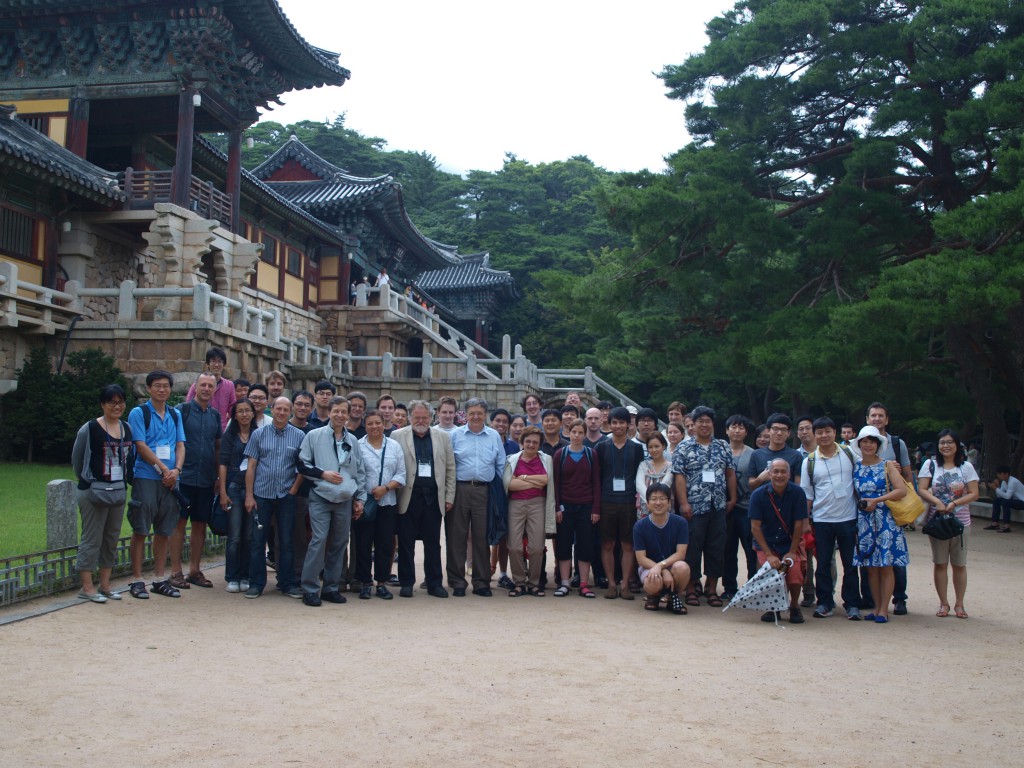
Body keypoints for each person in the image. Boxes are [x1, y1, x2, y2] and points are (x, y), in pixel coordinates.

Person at [296, 396, 367, 606]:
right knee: (319, 540)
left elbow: (359, 471)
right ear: (329, 412)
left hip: (344, 498)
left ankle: (331, 587)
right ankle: (309, 588)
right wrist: (322, 474)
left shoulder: (352, 440)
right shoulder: (314, 436)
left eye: (343, 412)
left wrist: (359, 498)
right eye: (336, 411)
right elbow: (301, 464)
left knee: (339, 543)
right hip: (321, 495)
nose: (339, 415)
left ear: (347, 414)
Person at [71, 384, 134, 602]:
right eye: (112, 402)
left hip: (117, 490)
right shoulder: (90, 428)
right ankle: (87, 587)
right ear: (103, 404)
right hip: (93, 490)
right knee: (92, 537)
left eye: (120, 402)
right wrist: (86, 480)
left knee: (111, 538)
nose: (117, 406)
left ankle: (105, 584)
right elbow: (77, 460)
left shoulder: (126, 427)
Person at [126, 370, 186, 599]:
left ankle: (160, 578)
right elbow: (140, 444)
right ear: (149, 388)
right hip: (147, 477)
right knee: (141, 528)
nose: (162, 390)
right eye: (157, 386)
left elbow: (180, 445)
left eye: (166, 386)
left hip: (171, 480)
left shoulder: (174, 414)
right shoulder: (139, 413)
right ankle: (137, 579)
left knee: (164, 529)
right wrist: (163, 469)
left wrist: (176, 470)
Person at [672, 405, 737, 608]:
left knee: (716, 548)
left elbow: (730, 473)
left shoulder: (723, 446)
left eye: (708, 421)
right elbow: (679, 476)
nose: (704, 424)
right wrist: (683, 503)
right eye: (700, 421)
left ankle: (711, 588)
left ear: (712, 424)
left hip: (718, 506)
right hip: (694, 506)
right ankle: (690, 588)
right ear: (693, 425)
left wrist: (732, 498)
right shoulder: (684, 447)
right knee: (692, 548)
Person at [799, 417, 861, 620]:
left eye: (827, 431)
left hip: (848, 518)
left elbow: (864, 473)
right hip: (822, 519)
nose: (824, 436)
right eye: (820, 432)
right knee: (823, 563)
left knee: (850, 564)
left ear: (835, 432)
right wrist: (806, 522)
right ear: (814, 435)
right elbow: (807, 493)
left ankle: (852, 603)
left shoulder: (849, 453)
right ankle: (825, 602)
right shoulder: (809, 461)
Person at [392, 400, 456, 598]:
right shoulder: (398, 435)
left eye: (424, 417)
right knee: (405, 542)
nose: (420, 421)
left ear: (431, 418)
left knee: (433, 542)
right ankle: (407, 582)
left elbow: (450, 468)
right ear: (410, 417)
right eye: (416, 417)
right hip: (408, 495)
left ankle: (434, 583)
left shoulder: (442, 437)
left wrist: (449, 496)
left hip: (433, 496)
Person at [243, 396, 305, 599]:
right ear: (272, 409)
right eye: (278, 408)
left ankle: (287, 583)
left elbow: (302, 467)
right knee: (257, 540)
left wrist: (294, 490)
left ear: (290, 412)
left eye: (285, 409)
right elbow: (251, 466)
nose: (281, 412)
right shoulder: (258, 434)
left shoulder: (298, 436)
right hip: (262, 493)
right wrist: (249, 495)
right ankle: (256, 583)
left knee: (286, 540)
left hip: (286, 494)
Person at [849, 425, 909, 623]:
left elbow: (901, 490)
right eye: (864, 441)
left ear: (878, 444)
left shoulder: (887, 465)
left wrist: (877, 500)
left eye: (872, 441)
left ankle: (884, 608)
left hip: (885, 519)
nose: (868, 445)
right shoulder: (856, 466)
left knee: (886, 565)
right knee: (871, 567)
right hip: (864, 520)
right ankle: (876, 606)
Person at [169, 371, 222, 591]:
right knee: (179, 523)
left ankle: (194, 569)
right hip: (185, 476)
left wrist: (218, 475)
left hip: (206, 477)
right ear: (196, 387)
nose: (207, 389)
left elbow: (217, 446)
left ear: (215, 389)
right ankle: (175, 571)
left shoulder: (215, 415)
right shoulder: (182, 411)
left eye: (211, 386)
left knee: (200, 524)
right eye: (203, 385)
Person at [918, 429, 979, 619]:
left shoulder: (966, 467)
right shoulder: (930, 465)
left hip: (960, 522)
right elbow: (922, 488)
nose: (946, 446)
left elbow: (973, 492)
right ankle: (943, 603)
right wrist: (937, 502)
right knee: (940, 563)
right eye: (942, 442)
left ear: (957, 445)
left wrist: (954, 503)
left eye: (950, 442)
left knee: (959, 564)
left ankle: (959, 604)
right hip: (937, 522)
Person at [448, 398, 506, 596]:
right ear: (465, 414)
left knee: (482, 536)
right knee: (458, 536)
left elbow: (501, 465)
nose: (475, 417)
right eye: (471, 413)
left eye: (479, 413)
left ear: (485, 415)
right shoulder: (455, 435)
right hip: (460, 489)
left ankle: (482, 582)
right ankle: (457, 581)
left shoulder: (493, 436)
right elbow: (449, 465)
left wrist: (498, 493)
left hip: (484, 490)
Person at [865, 401, 914, 615]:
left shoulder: (896, 443)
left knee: (894, 556)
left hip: (892, 508)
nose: (877, 419)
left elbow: (908, 475)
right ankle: (871, 599)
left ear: (887, 419)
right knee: (869, 554)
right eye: (873, 415)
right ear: (867, 419)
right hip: (867, 510)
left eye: (880, 416)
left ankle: (899, 598)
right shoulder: (860, 444)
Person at [748, 459, 809, 624]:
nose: (779, 475)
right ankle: (772, 607)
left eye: (783, 471)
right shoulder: (758, 495)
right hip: (766, 543)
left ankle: (794, 606)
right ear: (769, 474)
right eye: (775, 471)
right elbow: (755, 527)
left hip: (790, 542)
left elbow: (798, 525)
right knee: (769, 571)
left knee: (795, 573)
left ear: (789, 474)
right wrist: (768, 554)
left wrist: (792, 551)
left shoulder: (798, 493)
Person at [354, 409, 406, 600]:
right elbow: (354, 473)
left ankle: (382, 582)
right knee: (363, 543)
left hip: (388, 501)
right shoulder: (357, 446)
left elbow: (402, 473)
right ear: (364, 426)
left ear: (384, 424)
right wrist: (359, 498)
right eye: (370, 423)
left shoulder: (394, 446)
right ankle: (365, 582)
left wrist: (386, 488)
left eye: (378, 423)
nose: (374, 427)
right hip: (364, 503)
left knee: (385, 544)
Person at [596, 406, 645, 600]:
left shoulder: (636, 448)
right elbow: (597, 477)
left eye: (621, 422)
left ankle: (625, 583)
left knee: (627, 544)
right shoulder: (601, 447)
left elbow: (639, 474)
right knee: (607, 543)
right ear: (610, 424)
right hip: (607, 500)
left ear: (628, 424)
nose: (618, 426)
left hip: (628, 501)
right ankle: (611, 583)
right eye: (614, 422)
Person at [503, 426, 556, 596]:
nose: (531, 445)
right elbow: (510, 484)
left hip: (538, 504)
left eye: (535, 442)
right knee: (514, 546)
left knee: (536, 547)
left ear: (539, 444)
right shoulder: (512, 459)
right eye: (528, 441)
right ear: (522, 442)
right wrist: (535, 481)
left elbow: (546, 480)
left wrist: (523, 478)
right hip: (515, 504)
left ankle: (534, 583)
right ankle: (519, 582)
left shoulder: (546, 459)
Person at [553, 419, 601, 597]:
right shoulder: (560, 454)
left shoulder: (591, 454)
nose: (577, 436)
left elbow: (596, 482)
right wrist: (557, 507)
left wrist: (596, 508)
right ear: (568, 432)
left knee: (585, 545)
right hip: (565, 506)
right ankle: (564, 583)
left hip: (586, 506)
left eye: (581, 432)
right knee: (564, 544)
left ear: (585, 434)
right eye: (574, 432)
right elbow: (556, 484)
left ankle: (583, 583)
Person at [634, 483, 691, 614]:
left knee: (683, 567)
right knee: (654, 579)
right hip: (649, 567)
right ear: (647, 503)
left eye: (662, 498)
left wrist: (662, 566)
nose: (658, 502)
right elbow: (641, 559)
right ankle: (653, 597)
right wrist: (661, 570)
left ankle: (672, 597)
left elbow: (681, 554)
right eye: (653, 499)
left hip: (672, 564)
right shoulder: (640, 526)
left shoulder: (680, 523)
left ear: (669, 503)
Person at [218, 398, 255, 593]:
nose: (244, 414)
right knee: (234, 535)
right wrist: (223, 492)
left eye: (247, 410)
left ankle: (245, 574)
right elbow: (222, 463)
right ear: (235, 415)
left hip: (253, 489)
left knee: (249, 535)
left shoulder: (258, 434)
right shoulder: (230, 436)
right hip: (233, 486)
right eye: (240, 411)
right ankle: (232, 576)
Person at [722, 414, 756, 601]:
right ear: (727, 430)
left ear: (746, 432)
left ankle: (751, 586)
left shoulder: (753, 454)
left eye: (741, 427)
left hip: (746, 508)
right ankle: (729, 587)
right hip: (725, 509)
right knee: (728, 550)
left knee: (750, 550)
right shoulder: (720, 450)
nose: (736, 431)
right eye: (733, 427)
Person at [748, 413, 803, 490]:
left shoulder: (796, 456)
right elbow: (751, 485)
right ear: (768, 431)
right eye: (775, 429)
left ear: (789, 433)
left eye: (783, 430)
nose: (779, 433)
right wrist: (760, 479)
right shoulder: (756, 454)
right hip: (762, 499)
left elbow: (798, 486)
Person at [186, 347, 234, 429]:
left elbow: (233, 410)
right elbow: (188, 407)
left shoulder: (229, 386)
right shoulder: (196, 385)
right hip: (199, 428)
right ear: (207, 364)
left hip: (221, 431)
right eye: (213, 361)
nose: (216, 365)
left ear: (224, 364)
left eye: (220, 361)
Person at [635, 432, 672, 517]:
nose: (654, 450)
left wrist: (657, 501)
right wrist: (650, 501)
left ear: (663, 446)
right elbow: (639, 485)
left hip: (664, 504)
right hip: (646, 504)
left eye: (657, 446)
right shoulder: (643, 465)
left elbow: (666, 483)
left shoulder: (670, 466)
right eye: (650, 447)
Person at [989, 465, 1024, 532]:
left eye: (999, 474)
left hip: (1022, 501)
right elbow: (999, 496)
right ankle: (995, 523)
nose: (998, 476)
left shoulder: (1013, 481)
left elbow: (1007, 497)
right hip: (1015, 501)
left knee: (1005, 502)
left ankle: (1007, 526)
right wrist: (997, 487)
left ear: (1006, 474)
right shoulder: (1004, 482)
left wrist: (996, 489)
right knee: (996, 500)